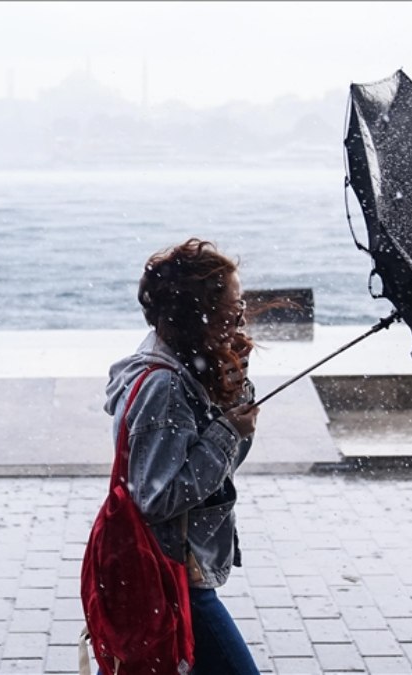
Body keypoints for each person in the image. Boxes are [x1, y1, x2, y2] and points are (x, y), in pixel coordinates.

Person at [103, 238, 260, 675]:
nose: (242, 315)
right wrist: (228, 431)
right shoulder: (165, 386)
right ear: (200, 314)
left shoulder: (185, 368)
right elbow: (159, 495)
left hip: (165, 570)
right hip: (170, 572)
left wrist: (234, 392)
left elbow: (221, 469)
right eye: (234, 306)